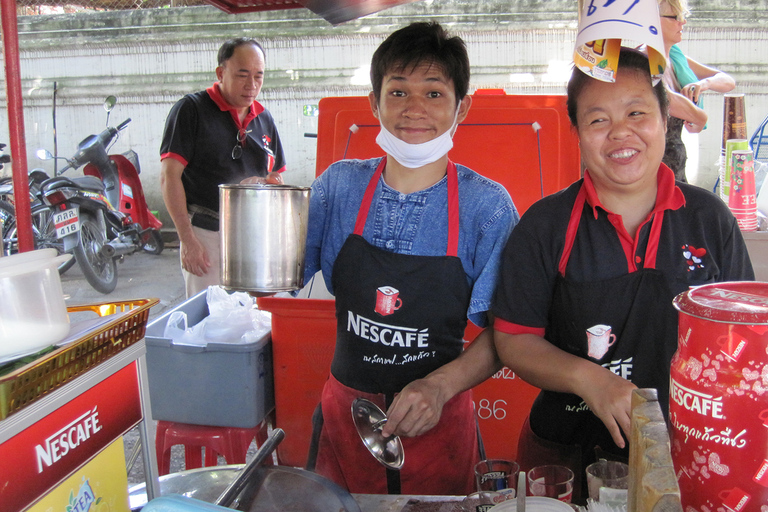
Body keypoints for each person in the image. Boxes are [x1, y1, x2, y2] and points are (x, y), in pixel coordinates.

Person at [492, 47, 753, 503]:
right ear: (575, 130)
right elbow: (514, 338)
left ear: (665, 116)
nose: (620, 133)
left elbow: (745, 343)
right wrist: (589, 378)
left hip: (693, 450)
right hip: (566, 453)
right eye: (597, 120)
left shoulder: (709, 219)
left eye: (637, 112)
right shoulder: (545, 226)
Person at [303, 22, 518, 495]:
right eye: (397, 91)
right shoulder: (337, 189)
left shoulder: (488, 208)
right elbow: (271, 274)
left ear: (462, 106)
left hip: (439, 427)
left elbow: (508, 331)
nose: (414, 109)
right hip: (345, 421)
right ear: (374, 103)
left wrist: (439, 387)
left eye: (434, 93)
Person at [160, 37, 286, 297]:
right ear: (221, 72)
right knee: (210, 316)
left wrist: (270, 183)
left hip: (253, 234)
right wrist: (187, 240)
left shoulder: (263, 117)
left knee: (254, 315)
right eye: (242, 75)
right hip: (206, 233)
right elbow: (169, 177)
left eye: (258, 76)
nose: (252, 85)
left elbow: (276, 174)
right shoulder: (191, 110)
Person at [658, 0, 736, 182]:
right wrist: (700, 116)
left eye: (682, 16)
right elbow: (664, 97)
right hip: (656, 167)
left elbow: (728, 81)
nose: (682, 22)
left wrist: (705, 83)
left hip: (676, 162)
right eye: (675, 17)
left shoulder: (675, 56)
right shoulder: (644, 60)